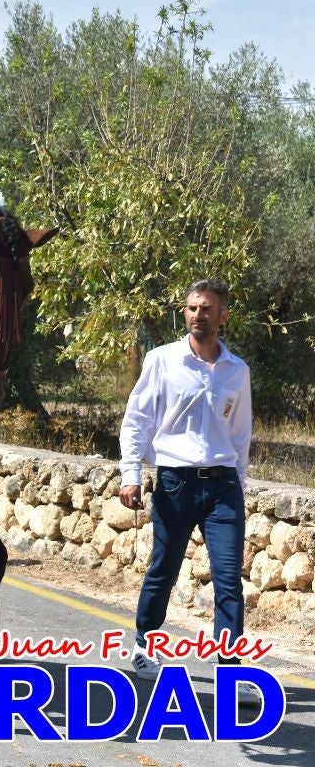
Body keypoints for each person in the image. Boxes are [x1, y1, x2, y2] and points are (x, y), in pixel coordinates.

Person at [118, 278, 255, 704]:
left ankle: (230, 673)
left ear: (223, 316)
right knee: (164, 570)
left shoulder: (238, 370)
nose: (198, 314)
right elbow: (136, 420)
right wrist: (131, 473)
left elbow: (240, 435)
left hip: (223, 488)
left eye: (207, 308)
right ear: (185, 312)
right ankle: (145, 647)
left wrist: (238, 483)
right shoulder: (162, 360)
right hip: (175, 483)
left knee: (229, 580)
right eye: (192, 307)